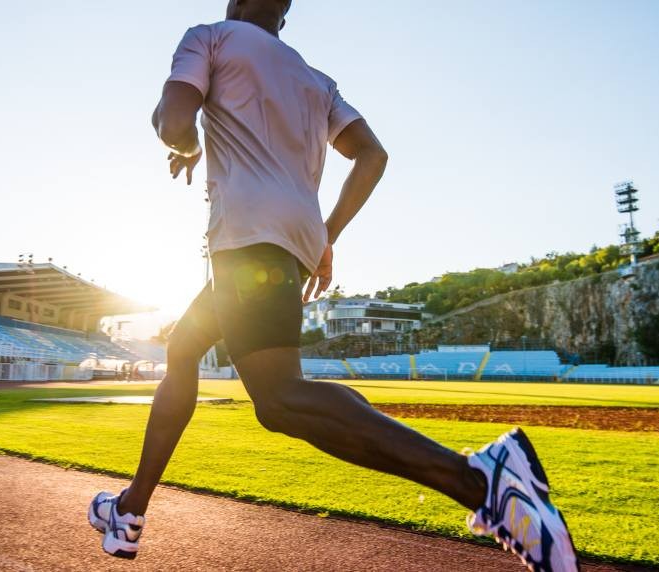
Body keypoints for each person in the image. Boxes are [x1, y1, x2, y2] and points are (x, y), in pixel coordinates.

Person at [87, 1, 578, 570]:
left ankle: (480, 480)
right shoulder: (316, 80)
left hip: (247, 238)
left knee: (279, 398)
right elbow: (373, 154)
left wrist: (189, 148)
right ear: (284, 18)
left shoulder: (211, 38)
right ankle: (130, 508)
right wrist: (326, 236)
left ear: (237, 3)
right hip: (290, 242)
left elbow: (172, 123)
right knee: (185, 348)